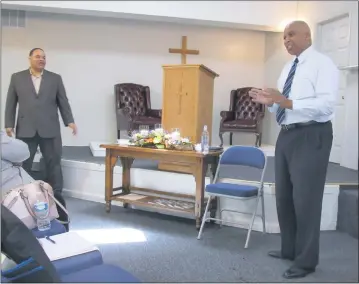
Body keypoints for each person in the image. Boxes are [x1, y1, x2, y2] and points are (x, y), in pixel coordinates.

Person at [249, 21, 339, 279]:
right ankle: (289, 249)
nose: (286, 40)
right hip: (287, 135)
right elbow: (283, 106)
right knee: (284, 196)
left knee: (306, 199)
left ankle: (306, 260)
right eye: (284, 37)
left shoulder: (323, 64)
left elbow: (325, 106)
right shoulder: (288, 67)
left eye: (291, 35)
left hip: (312, 135)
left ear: (307, 35)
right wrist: (270, 103)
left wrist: (284, 100)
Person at [4, 47, 77, 196]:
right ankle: (23, 193)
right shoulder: (17, 77)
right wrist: (8, 124)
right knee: (24, 163)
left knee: (54, 163)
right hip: (26, 128)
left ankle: (56, 194)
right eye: (37, 56)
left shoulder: (55, 78)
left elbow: (63, 101)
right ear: (29, 58)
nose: (41, 59)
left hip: (50, 128)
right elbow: (11, 102)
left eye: (43, 57)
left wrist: (69, 121)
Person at [1, 130, 70, 231]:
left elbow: (22, 152)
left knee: (55, 199)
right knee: (52, 204)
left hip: (21, 191)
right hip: (12, 200)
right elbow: (23, 152)